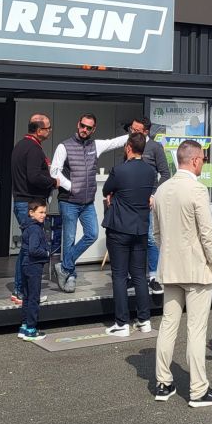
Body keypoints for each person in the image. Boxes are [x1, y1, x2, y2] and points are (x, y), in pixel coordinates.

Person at [152, 140, 212, 407]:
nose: (203, 164)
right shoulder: (196, 190)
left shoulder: (161, 190)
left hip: (169, 268)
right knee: (196, 329)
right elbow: (207, 233)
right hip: (196, 268)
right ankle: (198, 390)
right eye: (203, 160)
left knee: (168, 325)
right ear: (195, 160)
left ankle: (163, 382)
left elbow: (157, 234)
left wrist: (169, 253)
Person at [50, 114, 128, 293]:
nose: (84, 130)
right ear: (78, 124)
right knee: (68, 240)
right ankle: (70, 276)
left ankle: (64, 266)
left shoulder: (95, 146)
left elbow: (114, 142)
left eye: (88, 127)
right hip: (69, 201)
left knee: (92, 233)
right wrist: (72, 187)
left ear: (94, 129)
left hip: (87, 203)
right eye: (82, 126)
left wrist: (137, 134)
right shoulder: (64, 146)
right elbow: (54, 172)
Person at [101, 133, 157, 336]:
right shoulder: (151, 172)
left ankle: (122, 323)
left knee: (119, 275)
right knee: (140, 276)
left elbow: (106, 190)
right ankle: (144, 320)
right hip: (140, 229)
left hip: (119, 229)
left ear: (128, 147)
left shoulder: (119, 170)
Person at [10, 114, 54, 305]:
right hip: (29, 203)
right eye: (48, 128)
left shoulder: (20, 146)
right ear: (39, 130)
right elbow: (34, 177)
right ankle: (21, 291)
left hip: (22, 201)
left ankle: (22, 291)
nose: (50, 131)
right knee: (29, 250)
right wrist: (53, 181)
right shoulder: (34, 149)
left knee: (27, 248)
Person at [129, 117, 172, 292]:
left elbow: (165, 174)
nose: (133, 132)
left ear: (146, 132)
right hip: (131, 200)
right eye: (132, 129)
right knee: (132, 236)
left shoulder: (155, 147)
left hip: (149, 200)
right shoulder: (129, 144)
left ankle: (154, 275)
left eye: (137, 130)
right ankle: (134, 275)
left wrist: (155, 194)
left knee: (151, 237)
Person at [17, 199, 51, 342]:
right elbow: (34, 249)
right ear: (31, 213)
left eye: (45, 212)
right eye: (41, 212)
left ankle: (24, 326)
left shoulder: (27, 227)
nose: (44, 215)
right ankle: (31, 329)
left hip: (25, 265)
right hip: (34, 266)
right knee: (34, 298)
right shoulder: (36, 229)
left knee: (26, 296)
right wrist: (47, 253)